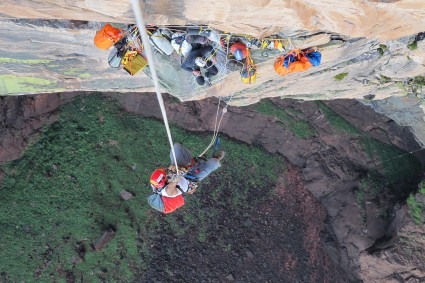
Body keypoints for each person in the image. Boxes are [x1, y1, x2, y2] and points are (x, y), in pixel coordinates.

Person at [147, 144, 225, 214]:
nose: (166, 173)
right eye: (166, 176)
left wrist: (173, 168)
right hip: (190, 179)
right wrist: (178, 174)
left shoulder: (155, 183)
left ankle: (190, 160)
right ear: (164, 181)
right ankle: (215, 158)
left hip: (181, 171)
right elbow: (172, 184)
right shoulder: (168, 192)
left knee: (177, 148)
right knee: (214, 163)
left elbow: (163, 169)